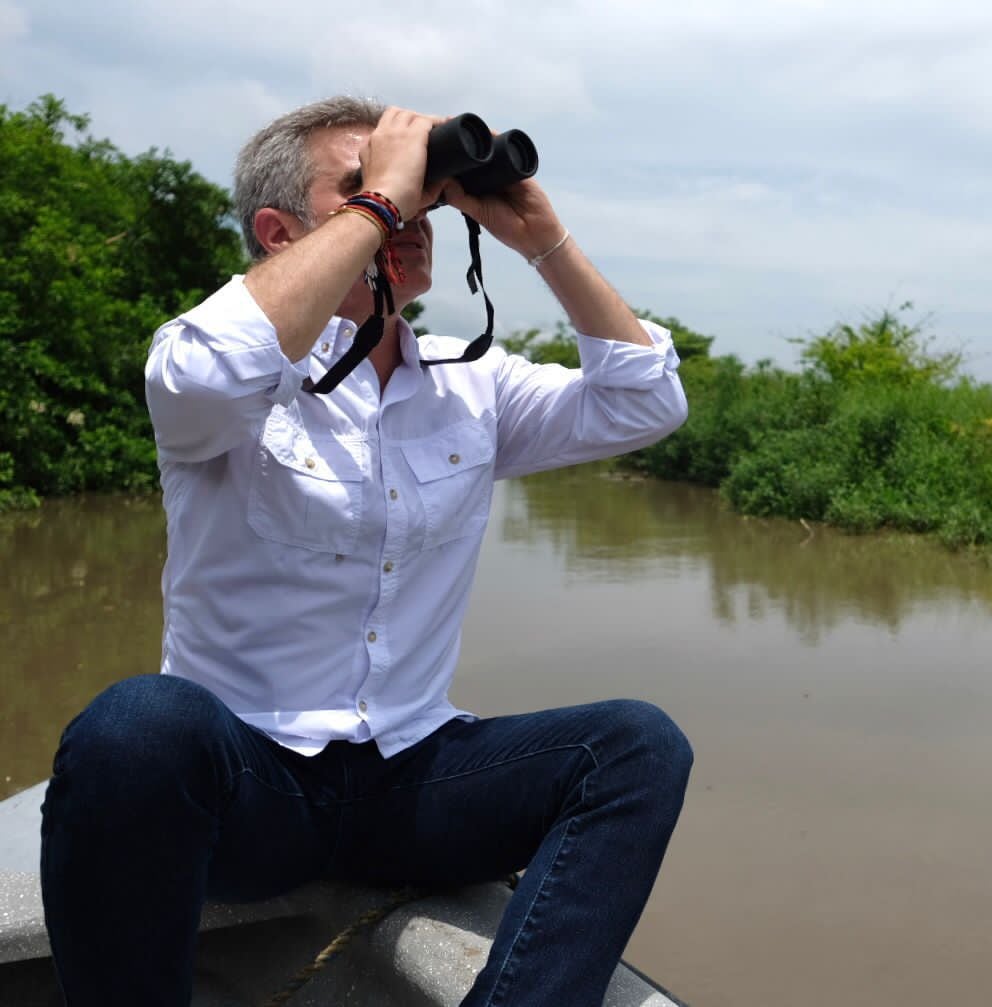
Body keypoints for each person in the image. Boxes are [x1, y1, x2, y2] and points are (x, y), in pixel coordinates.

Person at [39, 97, 693, 1007]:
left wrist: (540, 237)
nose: (410, 210)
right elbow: (201, 372)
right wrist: (378, 205)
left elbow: (645, 403)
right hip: (249, 791)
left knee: (636, 745)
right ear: (278, 230)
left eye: (420, 189)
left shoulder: (475, 382)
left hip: (414, 780)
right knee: (135, 728)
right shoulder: (225, 377)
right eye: (363, 184)